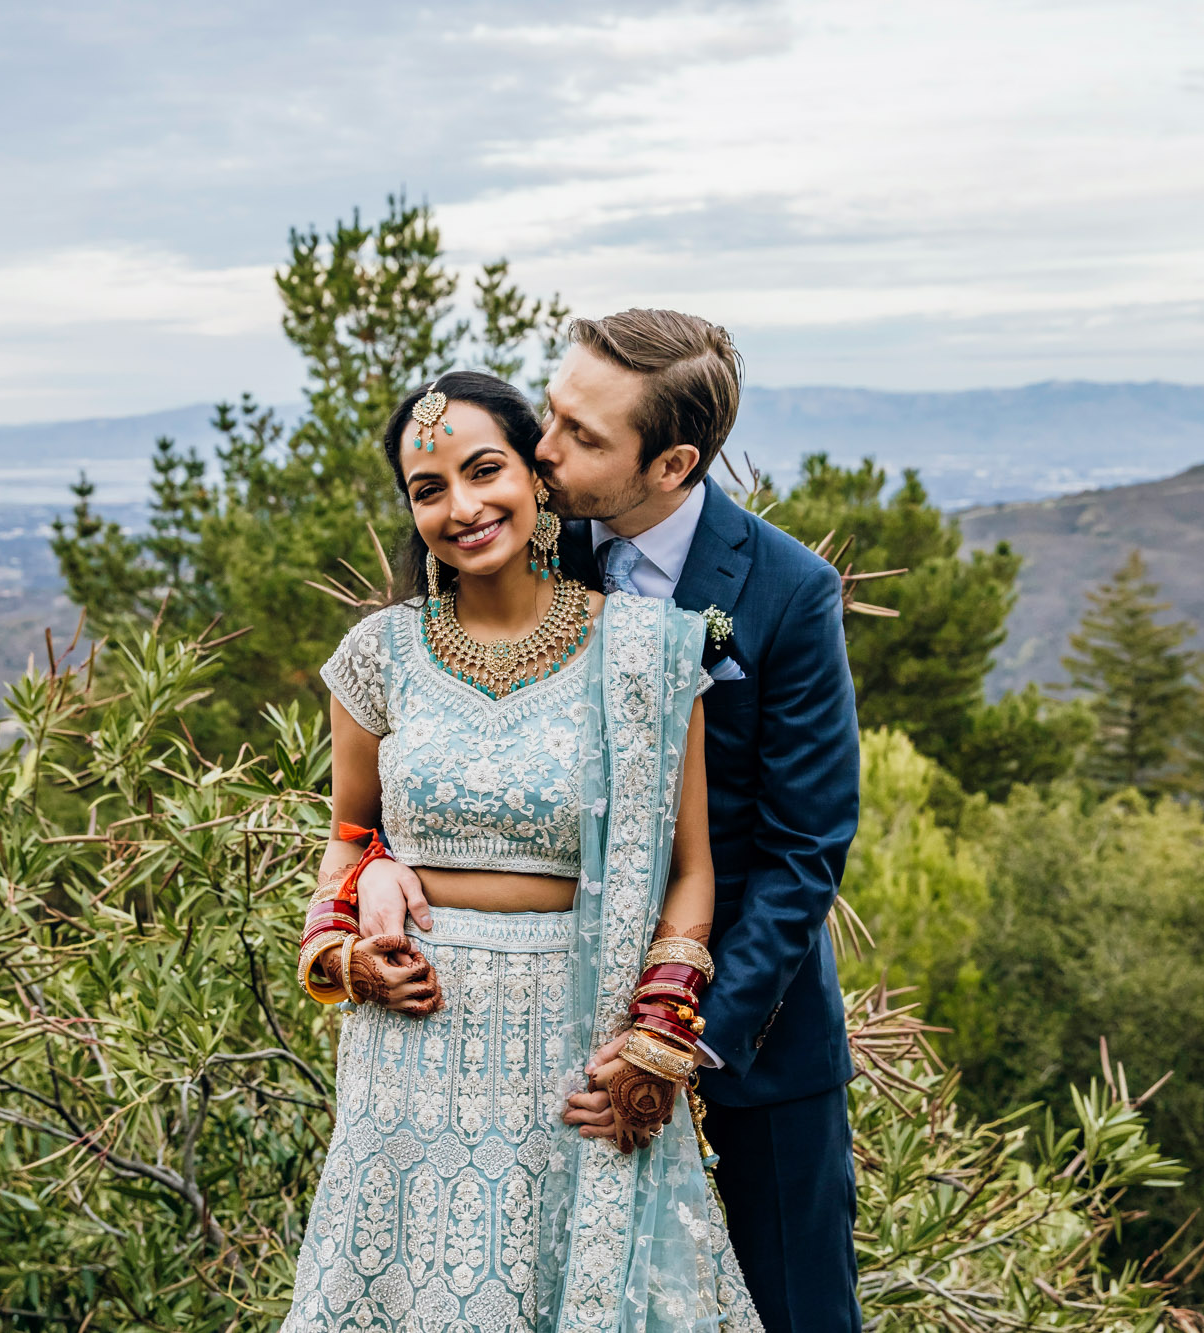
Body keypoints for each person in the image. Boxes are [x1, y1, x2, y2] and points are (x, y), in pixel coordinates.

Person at [361, 313, 863, 1333]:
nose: (544, 449)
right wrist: (374, 865)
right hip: (551, 1038)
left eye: (582, 437)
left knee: (797, 1312)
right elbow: (432, 749)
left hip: (749, 1036)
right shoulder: (527, 549)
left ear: (671, 461)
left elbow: (804, 850)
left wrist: (680, 1041)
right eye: (551, 415)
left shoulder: (786, 591)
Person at [284, 370, 764, 1332]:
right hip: (407, 1063)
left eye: (483, 470)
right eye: (428, 488)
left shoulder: (648, 652)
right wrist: (343, 956)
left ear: (537, 477)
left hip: (574, 1047)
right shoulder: (376, 657)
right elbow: (345, 845)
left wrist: (658, 1041)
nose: (461, 507)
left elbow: (689, 871)